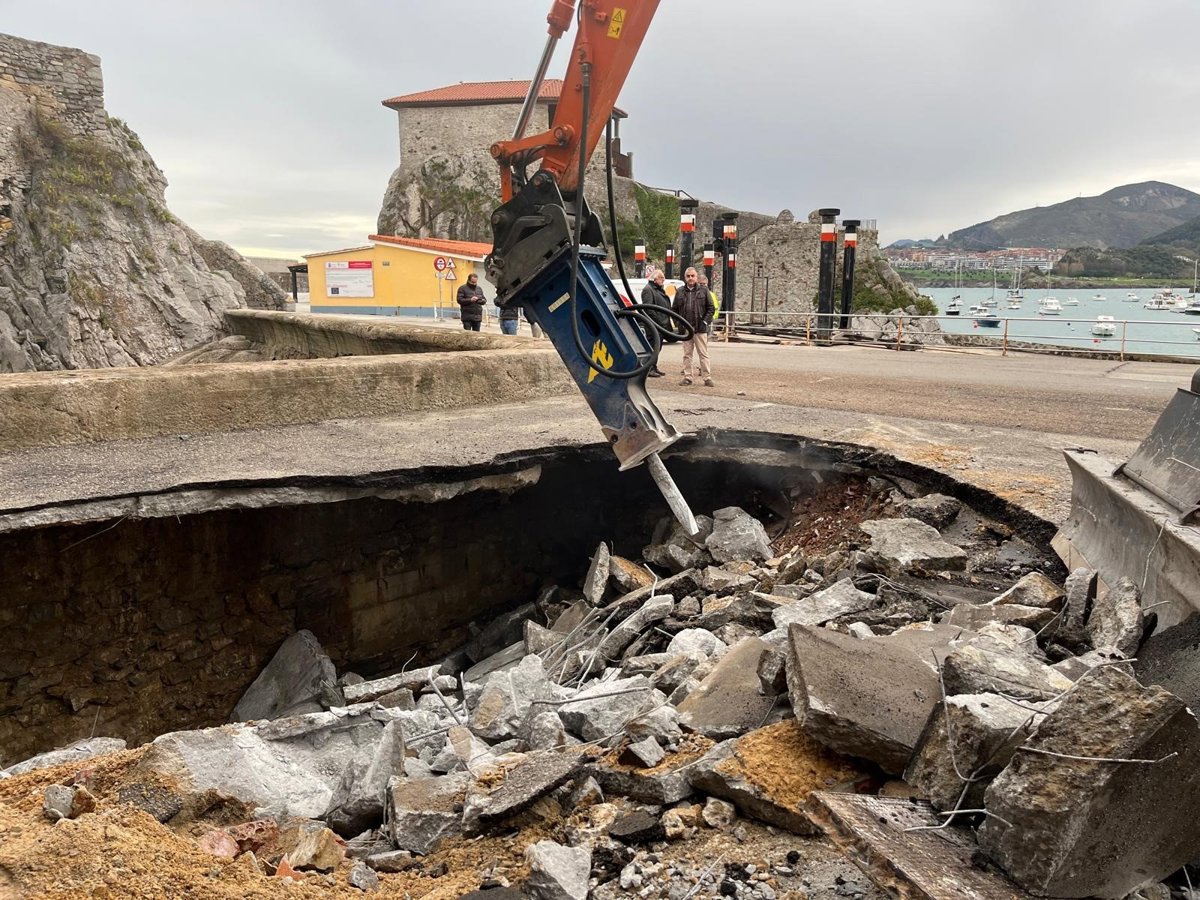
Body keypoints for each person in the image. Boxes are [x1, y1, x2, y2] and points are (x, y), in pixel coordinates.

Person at [672, 267, 715, 386]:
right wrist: (678, 323)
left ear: (696, 277)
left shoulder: (704, 291)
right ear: (685, 278)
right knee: (687, 354)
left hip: (700, 329)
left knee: (703, 354)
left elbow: (711, 308)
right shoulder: (680, 291)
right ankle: (688, 377)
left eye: (692, 276)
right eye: (688, 276)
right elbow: (674, 309)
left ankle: (707, 377)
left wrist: (705, 322)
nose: (690, 278)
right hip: (686, 329)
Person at [640, 270, 670, 377]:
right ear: (655, 279)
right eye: (661, 277)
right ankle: (649, 369)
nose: (663, 280)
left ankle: (654, 366)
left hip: (659, 325)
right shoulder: (648, 290)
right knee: (652, 346)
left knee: (657, 347)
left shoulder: (657, 290)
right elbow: (648, 309)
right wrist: (658, 321)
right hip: (653, 326)